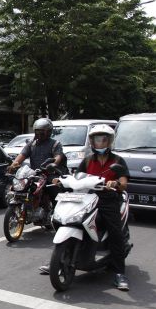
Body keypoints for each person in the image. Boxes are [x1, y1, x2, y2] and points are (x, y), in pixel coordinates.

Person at [40, 124, 131, 291]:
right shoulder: (87, 160)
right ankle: (58, 258)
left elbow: (124, 181)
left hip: (109, 199)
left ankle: (119, 273)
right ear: (92, 141)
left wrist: (116, 183)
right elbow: (77, 177)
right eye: (96, 139)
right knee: (65, 219)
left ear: (109, 141)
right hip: (87, 197)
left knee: (115, 232)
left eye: (103, 139)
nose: (100, 142)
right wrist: (61, 181)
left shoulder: (117, 160)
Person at [7, 118, 66, 207]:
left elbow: (58, 156)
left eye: (42, 131)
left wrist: (53, 164)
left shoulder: (55, 144)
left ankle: (56, 215)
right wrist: (13, 165)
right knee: (20, 188)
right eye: (37, 131)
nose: (39, 133)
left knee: (55, 193)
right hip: (35, 175)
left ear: (49, 131)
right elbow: (21, 156)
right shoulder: (31, 144)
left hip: (50, 174)